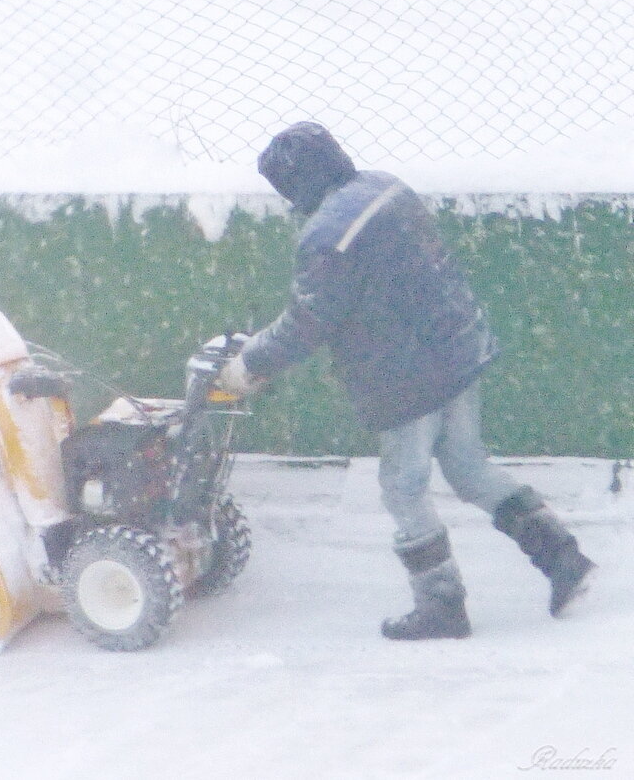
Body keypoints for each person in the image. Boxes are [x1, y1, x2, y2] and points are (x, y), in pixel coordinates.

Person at [216, 121, 596, 640]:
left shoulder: (328, 237)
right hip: (458, 346)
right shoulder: (383, 186)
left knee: (402, 487)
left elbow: (309, 320)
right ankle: (563, 557)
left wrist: (250, 363)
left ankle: (442, 605)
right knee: (467, 466)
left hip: (408, 375)